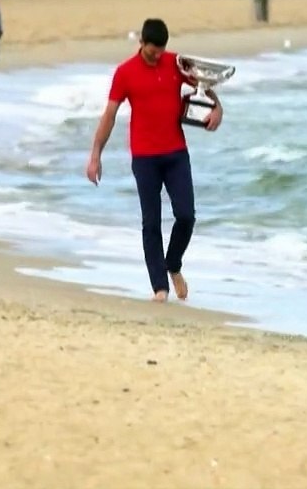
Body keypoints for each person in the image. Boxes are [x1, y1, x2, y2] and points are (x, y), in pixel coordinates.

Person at [85, 18, 223, 303]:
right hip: (145, 157)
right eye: (152, 51)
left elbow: (205, 88)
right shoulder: (125, 73)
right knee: (152, 222)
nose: (158, 56)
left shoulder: (175, 63)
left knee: (186, 216)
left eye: (161, 50)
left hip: (175, 153)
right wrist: (96, 154)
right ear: (141, 43)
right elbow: (109, 115)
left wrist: (218, 110)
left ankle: (173, 264)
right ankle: (160, 287)